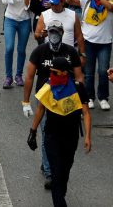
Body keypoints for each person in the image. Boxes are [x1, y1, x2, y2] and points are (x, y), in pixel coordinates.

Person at [27, 56, 92, 207]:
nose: (52, 76)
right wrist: (33, 132)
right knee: (56, 174)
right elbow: (40, 109)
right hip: (52, 137)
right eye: (51, 72)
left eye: (55, 73)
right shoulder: (47, 87)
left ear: (64, 73)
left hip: (71, 137)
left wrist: (88, 137)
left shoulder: (77, 88)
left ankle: (59, 195)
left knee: (64, 172)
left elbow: (86, 113)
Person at [65, 0, 113, 110]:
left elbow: (111, 7)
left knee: (103, 71)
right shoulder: (86, 0)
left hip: (105, 43)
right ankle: (90, 97)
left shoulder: (109, 3)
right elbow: (68, 1)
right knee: (88, 72)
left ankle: (103, 98)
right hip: (88, 42)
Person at [2, 0, 34, 89]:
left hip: (24, 20)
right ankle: (8, 77)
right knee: (9, 48)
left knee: (21, 49)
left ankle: (18, 75)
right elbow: (5, 1)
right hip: (10, 19)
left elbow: (28, 5)